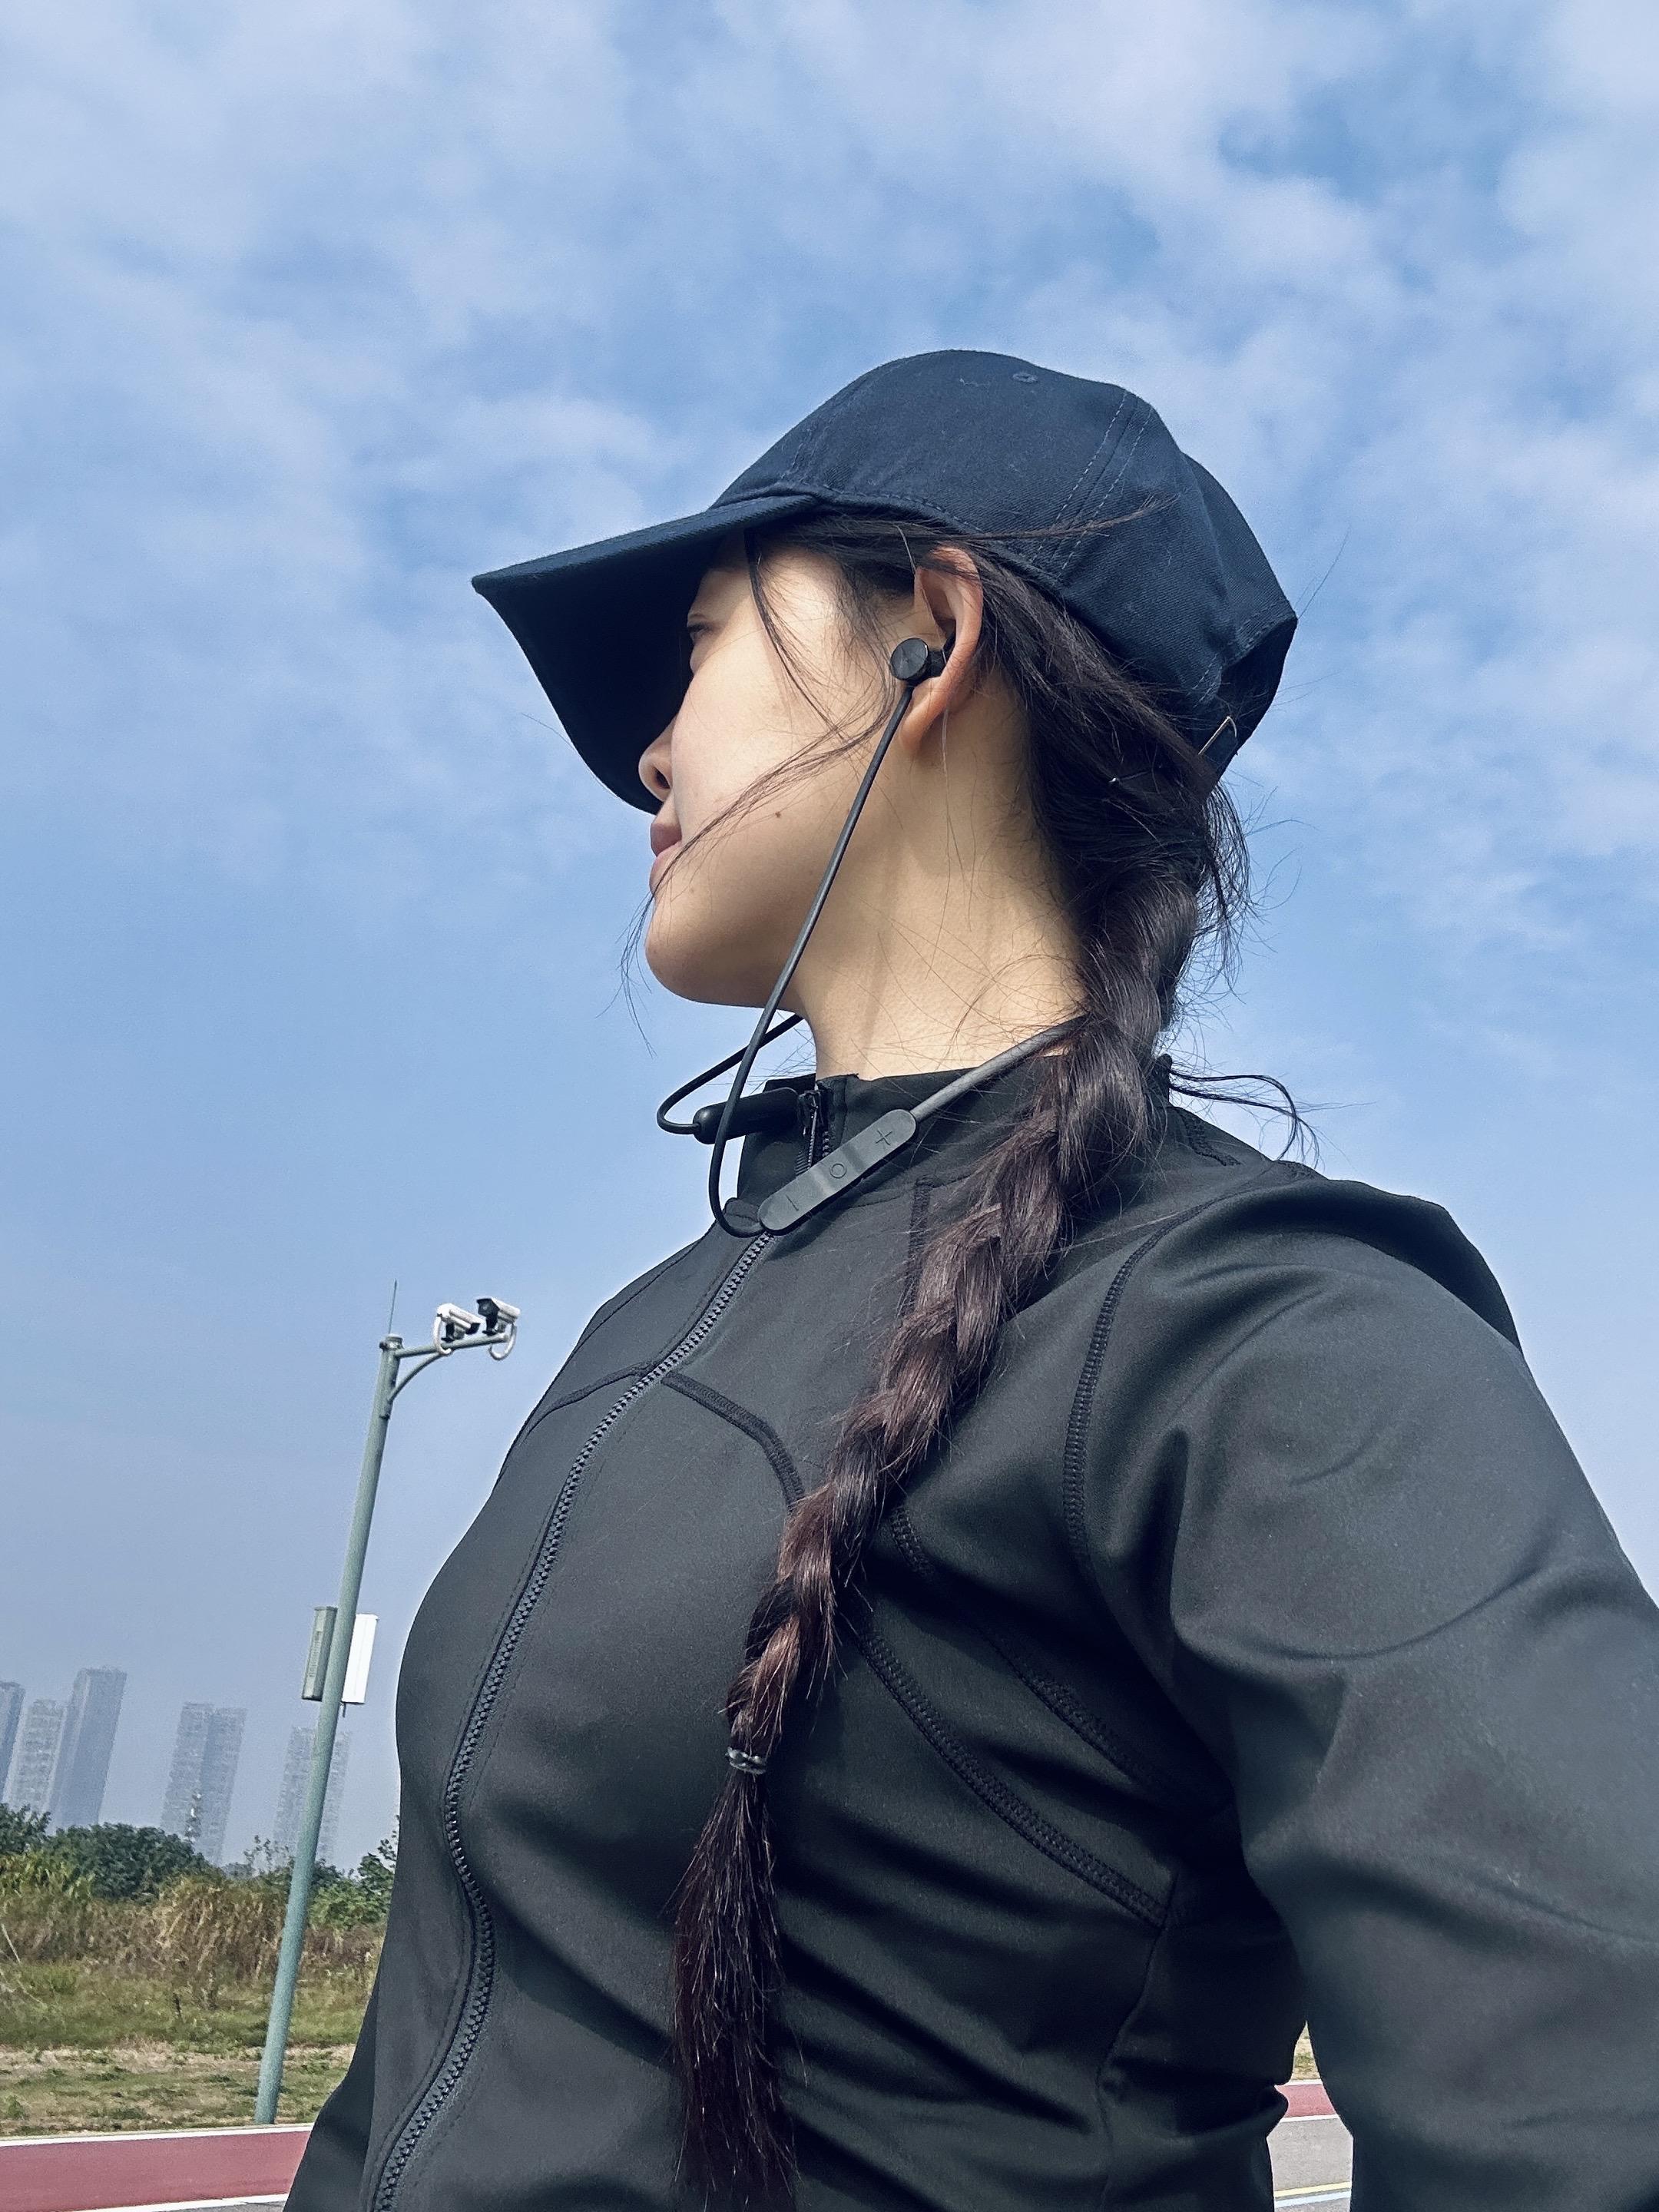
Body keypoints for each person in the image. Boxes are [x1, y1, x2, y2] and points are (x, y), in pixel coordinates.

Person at [285, 351, 1659, 2212]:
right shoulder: (653, 1320)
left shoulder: (1260, 1323)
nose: (650, 755)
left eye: (698, 646)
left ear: (931, 637)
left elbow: (1598, 2106)